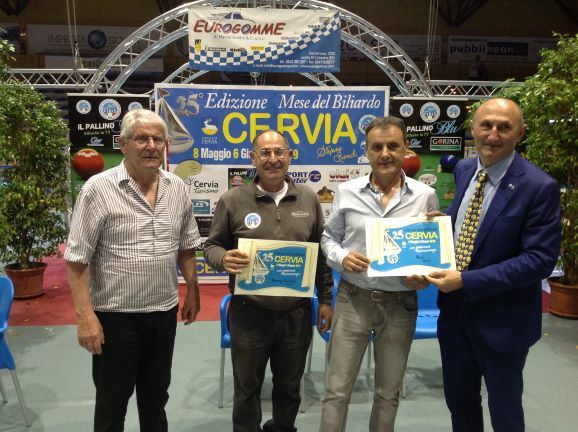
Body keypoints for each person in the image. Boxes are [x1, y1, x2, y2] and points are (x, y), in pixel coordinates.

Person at [426, 98, 561, 432]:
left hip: (504, 323)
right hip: (455, 318)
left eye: (504, 127)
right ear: (473, 128)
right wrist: (442, 226)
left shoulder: (539, 187)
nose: (494, 135)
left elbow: (538, 261)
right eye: (486, 125)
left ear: (520, 133)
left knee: (505, 409)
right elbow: (477, 227)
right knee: (460, 402)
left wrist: (465, 281)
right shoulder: (464, 170)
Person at [65, 109, 202, 432]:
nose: (151, 145)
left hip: (163, 314)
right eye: (142, 138)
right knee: (112, 405)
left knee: (156, 401)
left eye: (158, 139)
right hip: (116, 319)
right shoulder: (98, 190)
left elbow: (186, 245)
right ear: (123, 144)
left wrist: (192, 287)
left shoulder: (177, 188)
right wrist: (86, 318)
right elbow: (76, 260)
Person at [204, 129, 333, 432]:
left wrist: (326, 300)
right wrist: (223, 259)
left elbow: (322, 255)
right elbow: (211, 246)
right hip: (249, 311)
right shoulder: (232, 199)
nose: (273, 159)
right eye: (265, 153)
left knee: (289, 387)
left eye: (279, 152)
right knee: (247, 388)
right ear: (253, 158)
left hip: (297, 313)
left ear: (290, 156)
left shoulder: (309, 199)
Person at [319, 116, 439, 432]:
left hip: (402, 305)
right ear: (367, 152)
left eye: (392, 146)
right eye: (377, 147)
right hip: (353, 300)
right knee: (336, 393)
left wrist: (425, 274)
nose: (385, 153)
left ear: (405, 149)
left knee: (388, 395)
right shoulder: (346, 192)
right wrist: (342, 257)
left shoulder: (424, 196)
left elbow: (429, 254)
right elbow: (328, 238)